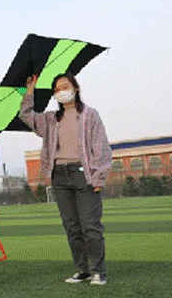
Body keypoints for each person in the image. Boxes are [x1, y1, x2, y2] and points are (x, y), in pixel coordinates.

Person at [20, 74, 111, 285]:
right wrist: (30, 91)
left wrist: (98, 177)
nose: (62, 91)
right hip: (59, 175)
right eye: (57, 89)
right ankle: (82, 270)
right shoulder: (51, 119)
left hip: (84, 174)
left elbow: (100, 146)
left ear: (75, 88)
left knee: (90, 226)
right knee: (72, 227)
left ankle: (99, 271)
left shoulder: (89, 115)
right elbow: (26, 115)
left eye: (65, 86)